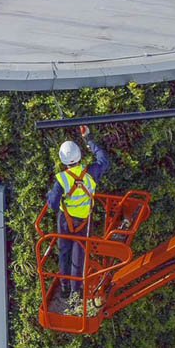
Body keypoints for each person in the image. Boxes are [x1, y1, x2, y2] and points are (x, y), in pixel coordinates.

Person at [46, 125, 110, 312]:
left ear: (63, 160)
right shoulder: (91, 172)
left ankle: (65, 289)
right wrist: (89, 140)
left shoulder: (62, 180)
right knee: (78, 255)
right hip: (84, 221)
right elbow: (104, 160)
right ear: (80, 156)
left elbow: (52, 204)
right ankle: (76, 290)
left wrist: (50, 194)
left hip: (65, 221)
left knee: (64, 253)